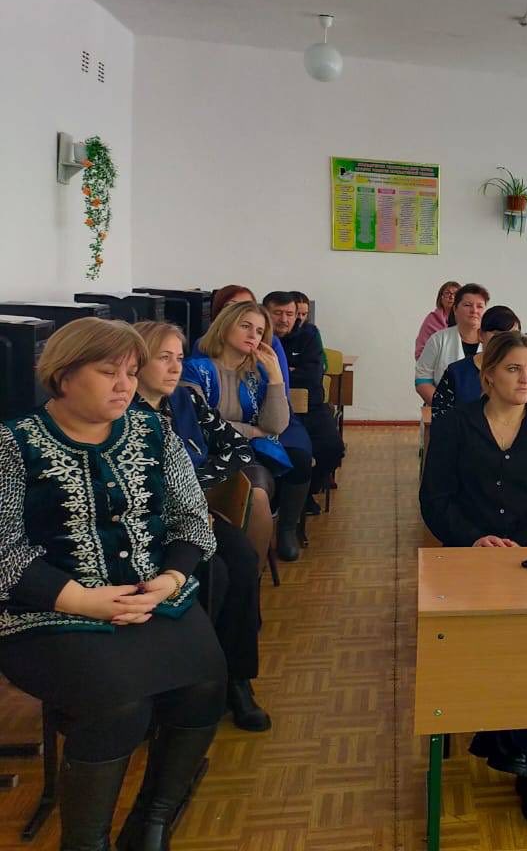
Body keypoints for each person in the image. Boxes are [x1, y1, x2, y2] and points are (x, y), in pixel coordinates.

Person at [0, 318, 223, 851]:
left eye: (131, 372)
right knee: (118, 705)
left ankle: (151, 824)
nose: (125, 385)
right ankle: (86, 842)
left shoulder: (152, 431)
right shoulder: (13, 444)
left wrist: (171, 578)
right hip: (46, 611)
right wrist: (81, 599)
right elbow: (3, 549)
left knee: (206, 685)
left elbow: (193, 519)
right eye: (108, 372)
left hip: (153, 597)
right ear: (63, 376)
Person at [419, 331, 527, 832]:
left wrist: (519, 547)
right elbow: (435, 500)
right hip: (468, 559)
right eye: (513, 368)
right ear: (488, 376)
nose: (525, 378)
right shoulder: (454, 425)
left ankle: (516, 746)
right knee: (502, 640)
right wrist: (475, 540)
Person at [134, 321, 271, 733]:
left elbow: (236, 447)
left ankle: (237, 680)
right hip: (148, 525)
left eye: (179, 357)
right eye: (164, 358)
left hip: (195, 513)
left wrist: (193, 487)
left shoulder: (186, 400)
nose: (175, 367)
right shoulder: (122, 409)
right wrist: (185, 498)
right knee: (214, 573)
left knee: (243, 560)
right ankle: (190, 682)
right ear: (135, 362)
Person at [184, 302, 313, 562]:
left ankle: (252, 574)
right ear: (224, 327)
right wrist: (252, 430)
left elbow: (275, 426)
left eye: (259, 331)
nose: (253, 335)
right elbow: (199, 424)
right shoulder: (195, 369)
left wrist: (276, 377)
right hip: (201, 454)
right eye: (245, 326)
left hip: (243, 454)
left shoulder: (258, 373)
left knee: (258, 494)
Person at [265, 291, 345, 512]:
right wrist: (289, 372)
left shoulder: (309, 334)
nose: (284, 319)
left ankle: (306, 493)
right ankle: (282, 497)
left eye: (290, 314)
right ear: (265, 313)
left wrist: (279, 374)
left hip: (311, 407)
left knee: (332, 449)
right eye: (278, 313)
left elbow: (311, 376)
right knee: (286, 453)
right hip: (270, 409)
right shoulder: (260, 338)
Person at [430, 306, 527, 421]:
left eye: (512, 335)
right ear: (480, 335)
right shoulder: (457, 372)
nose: (505, 342)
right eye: (498, 335)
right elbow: (441, 420)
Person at [415, 282, 488, 405]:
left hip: (485, 412)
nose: (474, 310)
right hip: (443, 409)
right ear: (455, 309)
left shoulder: (493, 342)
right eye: (467, 305)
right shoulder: (438, 339)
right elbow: (422, 379)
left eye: (480, 306)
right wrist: (443, 407)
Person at [415, 281, 460, 359]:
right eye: (447, 293)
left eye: (456, 294)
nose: (452, 297)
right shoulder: (431, 319)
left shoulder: (465, 319)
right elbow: (420, 351)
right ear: (441, 297)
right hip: (434, 363)